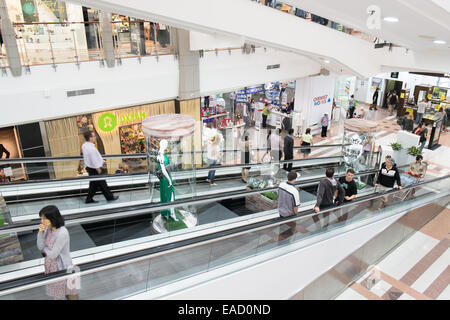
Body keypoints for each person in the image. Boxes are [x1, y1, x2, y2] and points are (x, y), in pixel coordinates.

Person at [37, 205, 78, 300]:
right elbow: (40, 247)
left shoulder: (62, 233)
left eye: (44, 219)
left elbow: (53, 254)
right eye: (41, 218)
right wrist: (40, 233)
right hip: (51, 266)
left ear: (53, 218)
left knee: (70, 292)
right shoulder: (47, 229)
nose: (41, 221)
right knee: (57, 294)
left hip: (63, 266)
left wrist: (45, 248)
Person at [82, 131, 118, 204]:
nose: (94, 137)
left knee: (94, 185)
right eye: (93, 136)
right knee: (102, 183)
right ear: (90, 138)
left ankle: (89, 199)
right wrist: (98, 168)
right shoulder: (90, 147)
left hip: (90, 167)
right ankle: (109, 197)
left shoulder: (85, 145)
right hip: (94, 168)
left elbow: (93, 157)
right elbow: (93, 158)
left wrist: (101, 161)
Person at [277, 170, 301, 241]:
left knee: (281, 230)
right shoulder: (294, 191)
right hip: (290, 215)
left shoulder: (281, 185)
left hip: (281, 212)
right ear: (295, 179)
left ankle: (280, 242)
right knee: (289, 232)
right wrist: (296, 215)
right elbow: (295, 207)